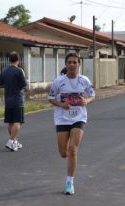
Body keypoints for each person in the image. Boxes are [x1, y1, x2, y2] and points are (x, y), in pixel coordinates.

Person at [48, 52, 95, 195]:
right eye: (69, 62)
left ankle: (69, 182)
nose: (72, 64)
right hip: (62, 118)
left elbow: (93, 94)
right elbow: (50, 98)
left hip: (79, 118)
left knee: (73, 149)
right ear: (66, 64)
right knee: (63, 153)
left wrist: (86, 101)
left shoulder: (84, 80)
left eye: (75, 62)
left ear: (79, 64)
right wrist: (61, 105)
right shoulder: (58, 81)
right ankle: (69, 157)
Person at [0, 51, 27, 151]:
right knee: (17, 121)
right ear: (18, 60)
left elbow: (1, 84)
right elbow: (24, 85)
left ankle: (14, 141)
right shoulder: (19, 71)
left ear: (9, 60)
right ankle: (11, 141)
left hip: (7, 99)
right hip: (17, 99)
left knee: (10, 122)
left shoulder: (4, 71)